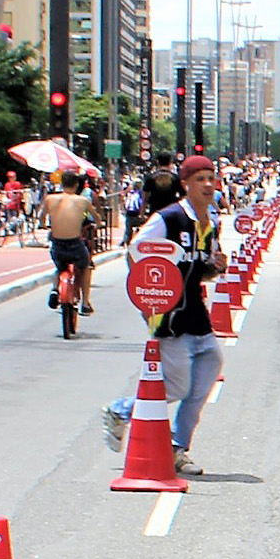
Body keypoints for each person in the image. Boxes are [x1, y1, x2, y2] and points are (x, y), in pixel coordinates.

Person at [102, 156, 225, 475]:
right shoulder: (169, 218)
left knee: (208, 372)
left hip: (196, 312)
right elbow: (135, 251)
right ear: (185, 184)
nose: (208, 185)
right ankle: (121, 410)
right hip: (169, 316)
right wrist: (148, 299)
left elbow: (200, 269)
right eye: (200, 179)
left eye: (211, 178)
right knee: (177, 386)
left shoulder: (209, 221)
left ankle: (176, 447)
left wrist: (215, 267)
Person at [43, 170, 97, 316]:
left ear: (61, 183)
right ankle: (85, 303)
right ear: (76, 185)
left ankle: (55, 289)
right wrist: (98, 223)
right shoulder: (82, 201)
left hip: (57, 245)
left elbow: (42, 219)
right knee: (85, 266)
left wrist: (46, 226)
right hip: (75, 244)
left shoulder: (50, 199)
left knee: (59, 267)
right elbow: (97, 218)